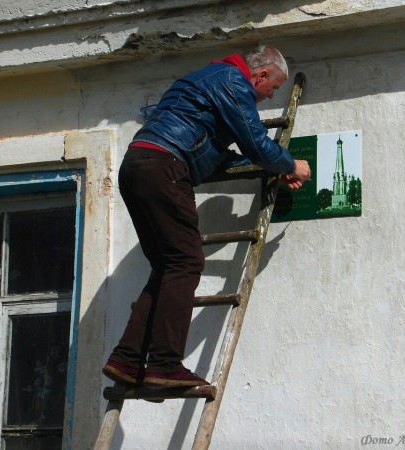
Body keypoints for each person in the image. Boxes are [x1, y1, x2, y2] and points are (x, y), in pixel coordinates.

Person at [102, 45, 311, 388]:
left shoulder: (208, 82)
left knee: (170, 266)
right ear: (259, 75)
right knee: (186, 263)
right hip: (165, 166)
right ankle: (164, 366)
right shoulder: (233, 82)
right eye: (271, 89)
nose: (268, 98)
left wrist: (271, 169)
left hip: (139, 165)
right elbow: (255, 141)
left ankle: (127, 359)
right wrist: (290, 163)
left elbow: (218, 155)